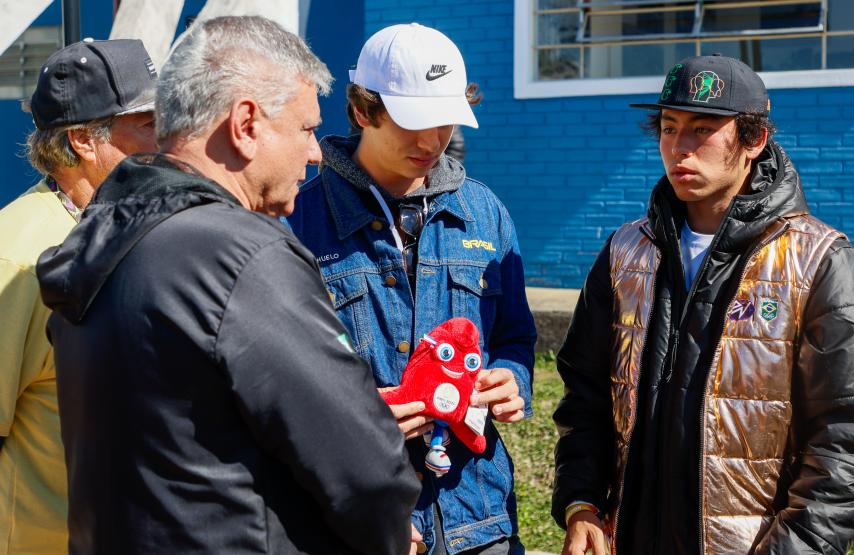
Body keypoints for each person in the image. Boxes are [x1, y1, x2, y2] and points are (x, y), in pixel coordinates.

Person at [36, 16, 419, 554]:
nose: (316, 153)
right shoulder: (241, 255)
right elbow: (364, 466)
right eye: (307, 129)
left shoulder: (104, 239)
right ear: (246, 123)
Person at [551, 54, 854, 555]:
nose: (679, 148)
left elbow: (850, 438)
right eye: (669, 128)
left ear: (754, 140)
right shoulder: (627, 253)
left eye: (703, 129)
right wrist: (580, 501)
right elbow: (586, 396)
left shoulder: (819, 261)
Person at [289, 23, 536, 555]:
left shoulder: (485, 213)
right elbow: (275, 377)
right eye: (413, 122)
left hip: (478, 518)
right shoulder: (298, 219)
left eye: (445, 121)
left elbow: (515, 337)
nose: (431, 141)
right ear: (362, 111)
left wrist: (511, 380)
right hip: (355, 517)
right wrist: (351, 416)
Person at [0, 38, 157, 554]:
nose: (170, 139)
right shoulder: (17, 256)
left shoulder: (138, 226)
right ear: (85, 140)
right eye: (148, 123)